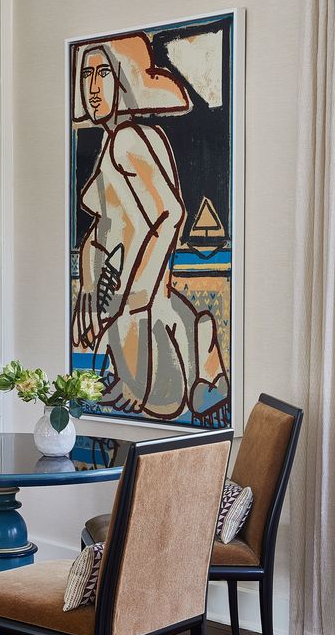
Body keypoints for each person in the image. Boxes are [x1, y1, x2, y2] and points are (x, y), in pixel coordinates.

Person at [71, 33, 229, 424]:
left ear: (123, 78)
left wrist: (136, 292)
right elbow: (103, 226)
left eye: (103, 72)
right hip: (124, 292)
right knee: (147, 396)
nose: (93, 88)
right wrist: (90, 283)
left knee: (160, 402)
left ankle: (199, 348)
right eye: (86, 74)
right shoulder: (117, 144)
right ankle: (200, 345)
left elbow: (170, 214)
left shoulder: (128, 140)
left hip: (137, 293)